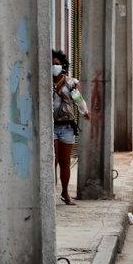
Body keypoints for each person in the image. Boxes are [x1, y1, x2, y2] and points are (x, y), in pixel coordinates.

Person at [52, 50, 90, 205]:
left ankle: (65, 193)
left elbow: (78, 99)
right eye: (52, 64)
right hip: (51, 127)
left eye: (57, 64)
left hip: (67, 127)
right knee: (52, 161)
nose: (55, 66)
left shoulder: (71, 83)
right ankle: (50, 193)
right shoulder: (44, 82)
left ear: (63, 65)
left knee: (65, 163)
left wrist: (85, 112)